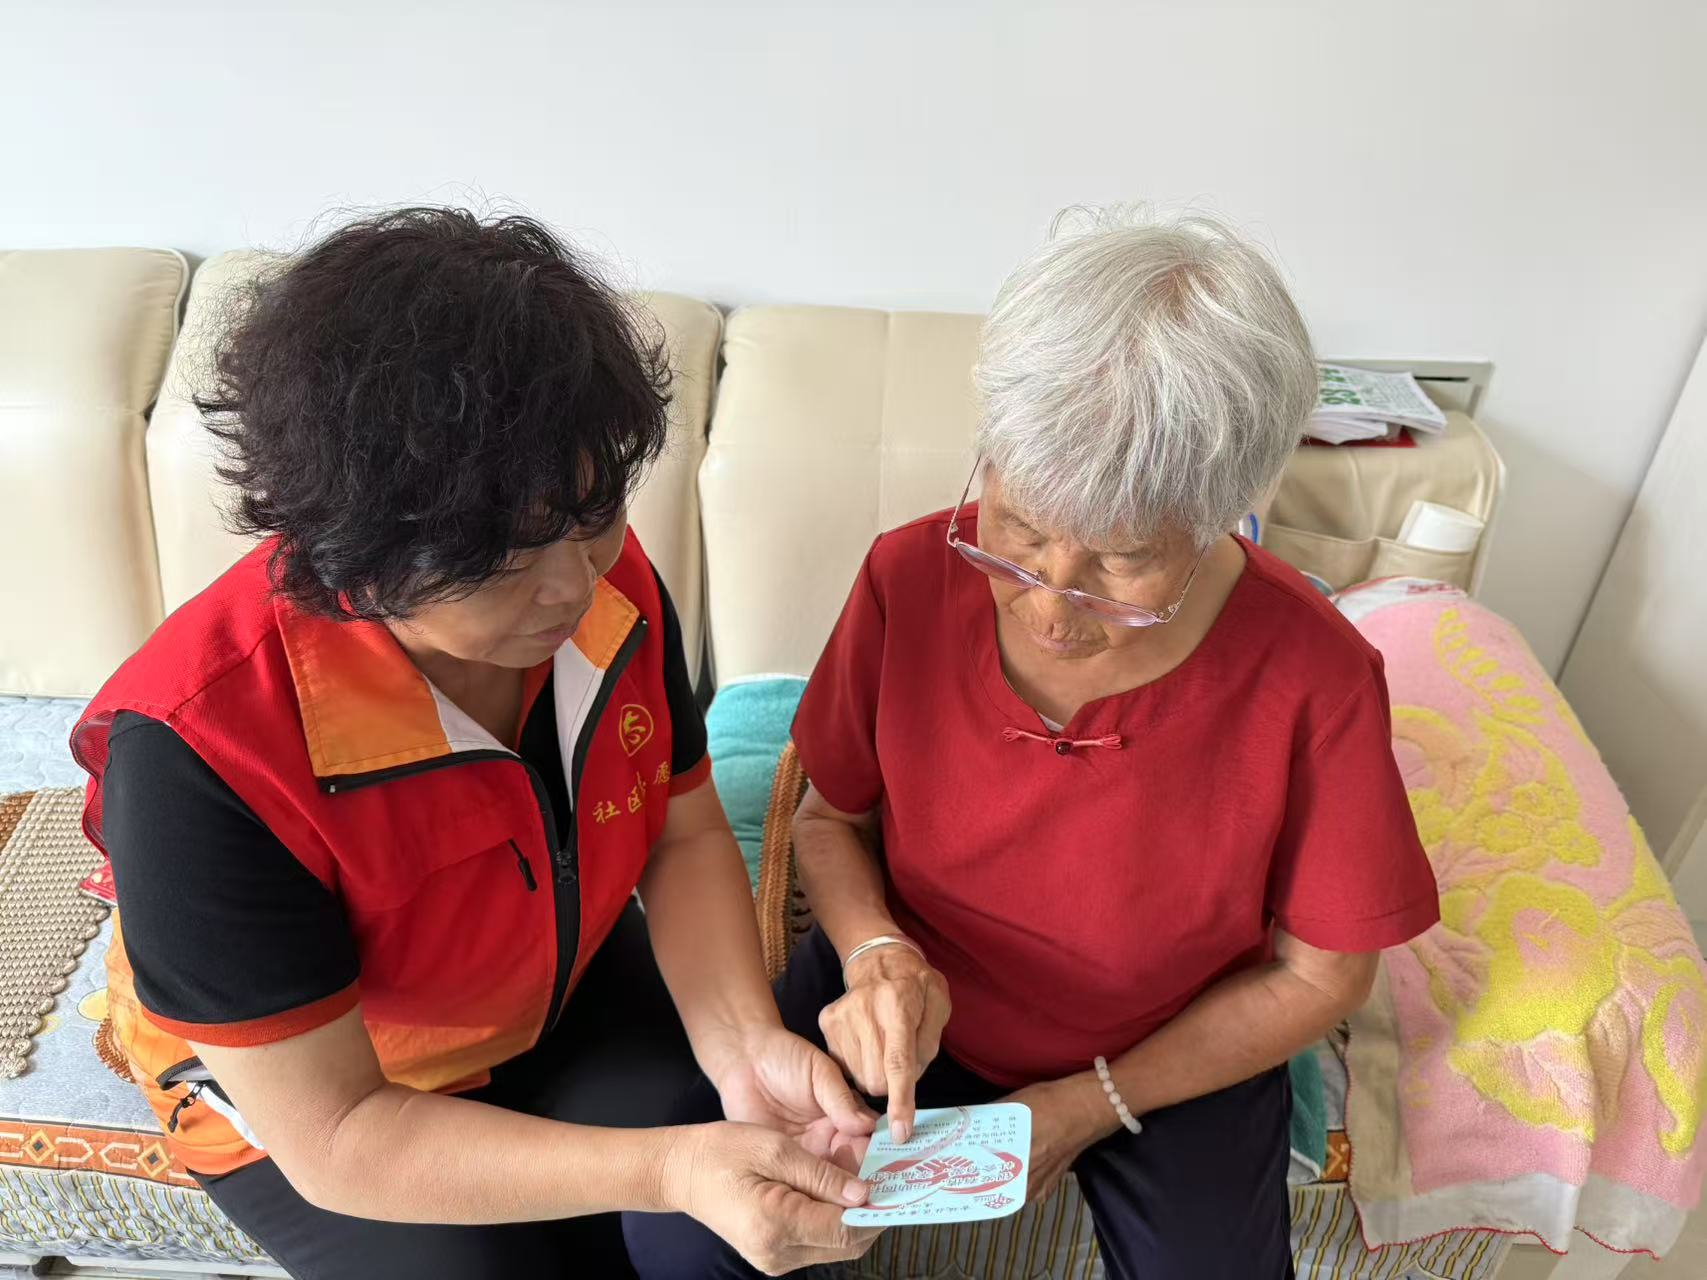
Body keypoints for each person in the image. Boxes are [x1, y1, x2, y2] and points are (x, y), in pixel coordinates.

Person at [622, 208, 1441, 1279]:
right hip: (910, 1009)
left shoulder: (1314, 675)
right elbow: (830, 817)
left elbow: (1321, 975)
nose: (1049, 606)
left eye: (1122, 562)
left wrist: (1093, 1100)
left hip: (1169, 1051)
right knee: (685, 1234)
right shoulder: (908, 576)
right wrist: (875, 952)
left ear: (1220, 519)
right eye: (1018, 530)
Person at [71, 208, 880, 1280]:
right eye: (502, 558)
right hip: (351, 1096)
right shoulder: (200, 755)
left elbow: (682, 833)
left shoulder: (610, 586)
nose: (573, 585)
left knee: (746, 1209)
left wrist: (742, 1044)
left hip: (561, 987)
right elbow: (339, 1134)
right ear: (350, 557)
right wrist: (668, 1166)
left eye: (592, 513)